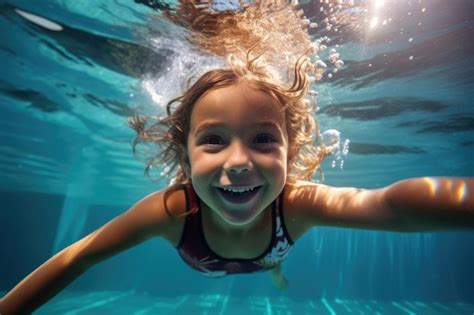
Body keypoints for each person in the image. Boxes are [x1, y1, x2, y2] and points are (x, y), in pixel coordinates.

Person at [1, 1, 473, 314]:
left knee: (273, 264)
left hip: (271, 251)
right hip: (222, 251)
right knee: (272, 261)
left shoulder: (298, 203)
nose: (239, 160)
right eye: (213, 141)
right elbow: (76, 259)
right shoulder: (172, 210)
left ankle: (277, 269)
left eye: (264, 140)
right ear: (183, 163)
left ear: (291, 152)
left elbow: (389, 205)